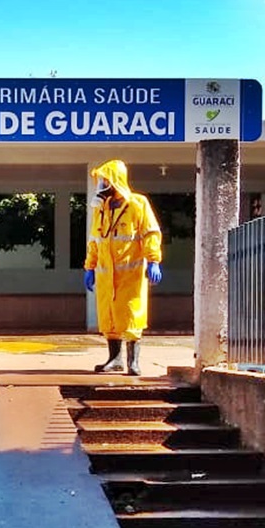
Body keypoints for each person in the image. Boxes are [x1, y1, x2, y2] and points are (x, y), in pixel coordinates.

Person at [84, 160, 163, 376]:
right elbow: (95, 240)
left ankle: (133, 362)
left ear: (115, 180)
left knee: (131, 316)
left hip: (130, 274)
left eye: (105, 179)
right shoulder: (101, 209)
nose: (101, 184)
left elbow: (150, 233)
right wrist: (90, 267)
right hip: (106, 275)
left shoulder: (138, 204)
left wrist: (153, 260)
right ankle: (114, 360)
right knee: (109, 318)